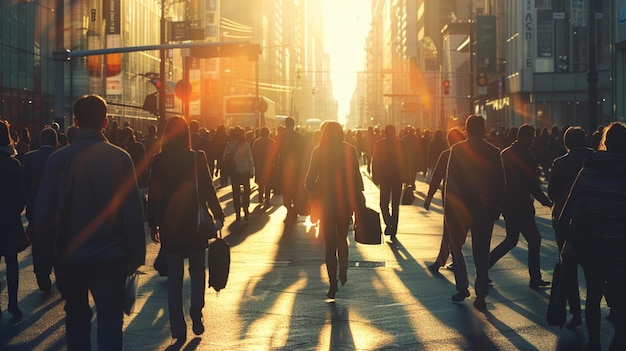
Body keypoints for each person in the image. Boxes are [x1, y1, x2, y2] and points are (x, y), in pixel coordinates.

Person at [33, 95, 146, 350]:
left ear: (75, 122)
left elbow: (42, 213)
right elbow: (132, 212)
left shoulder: (58, 160)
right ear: (105, 122)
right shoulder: (120, 158)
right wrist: (136, 254)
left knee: (76, 317)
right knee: (109, 317)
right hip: (111, 256)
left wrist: (47, 250)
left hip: (70, 256)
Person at [147, 117, 225, 343]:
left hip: (170, 224)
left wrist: (153, 222)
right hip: (194, 222)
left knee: (174, 277)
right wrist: (218, 213)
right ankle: (196, 309)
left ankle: (177, 328)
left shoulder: (159, 160)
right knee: (198, 270)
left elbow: (154, 193)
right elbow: (208, 188)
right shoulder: (196, 157)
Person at [558, 122, 626, 351]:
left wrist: (570, 240)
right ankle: (618, 340)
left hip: (591, 245)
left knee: (594, 294)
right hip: (620, 246)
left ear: (604, 143)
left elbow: (567, 211)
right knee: (621, 295)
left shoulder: (589, 168)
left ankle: (594, 342)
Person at [444, 115, 505, 312]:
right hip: (484, 207)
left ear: (466, 129)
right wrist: (496, 206)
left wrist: (449, 209)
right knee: (481, 250)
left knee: (456, 246)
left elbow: (450, 182)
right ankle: (481, 293)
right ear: (484, 129)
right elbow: (500, 182)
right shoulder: (493, 151)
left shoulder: (457, 149)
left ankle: (462, 286)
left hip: (461, 207)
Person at [488, 124, 553, 288]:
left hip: (508, 203)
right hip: (522, 204)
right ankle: (535, 278)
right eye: (531, 138)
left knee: (511, 240)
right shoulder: (526, 157)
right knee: (534, 239)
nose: (532, 141)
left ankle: (484, 266)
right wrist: (545, 201)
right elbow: (532, 183)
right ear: (524, 136)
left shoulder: (505, 153)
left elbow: (496, 179)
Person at [305, 121, 364, 299]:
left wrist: (316, 190)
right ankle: (343, 270)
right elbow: (356, 176)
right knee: (342, 239)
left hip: (325, 203)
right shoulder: (349, 150)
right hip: (345, 202)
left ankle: (332, 284)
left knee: (329, 245)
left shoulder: (318, 151)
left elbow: (309, 181)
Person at [547, 126, 593, 329]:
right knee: (594, 268)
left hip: (565, 220)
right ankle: (606, 304)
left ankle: (575, 313)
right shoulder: (595, 160)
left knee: (570, 268)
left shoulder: (560, 163)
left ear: (566, 143)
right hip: (591, 219)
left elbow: (551, 192)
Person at [21, 127, 58, 292]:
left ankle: (42, 275)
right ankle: (56, 269)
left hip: (35, 210)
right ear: (56, 141)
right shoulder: (61, 157)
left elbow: (24, 186)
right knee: (56, 243)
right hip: (56, 211)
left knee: (37, 244)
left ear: (41, 141)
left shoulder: (29, 159)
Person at [424, 128, 465, 273]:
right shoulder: (469, 156)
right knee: (460, 232)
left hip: (451, 199)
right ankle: (454, 260)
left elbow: (436, 178)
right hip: (468, 200)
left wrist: (429, 197)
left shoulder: (446, 155)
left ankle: (444, 260)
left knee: (449, 230)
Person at [0, 120, 28, 318]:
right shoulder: (13, 164)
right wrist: (14, 211)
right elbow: (21, 195)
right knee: (12, 261)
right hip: (9, 217)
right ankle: (12, 303)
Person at [372, 125, 408, 237]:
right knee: (395, 204)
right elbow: (405, 160)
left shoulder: (380, 144)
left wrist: (375, 176)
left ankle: (389, 223)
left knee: (383, 203)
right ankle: (394, 227)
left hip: (385, 177)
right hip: (397, 177)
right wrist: (406, 177)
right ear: (394, 132)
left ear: (385, 132)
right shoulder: (401, 143)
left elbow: (375, 161)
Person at [274, 117, 306, 226]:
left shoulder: (280, 136)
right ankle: (295, 210)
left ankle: (289, 209)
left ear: (285, 124)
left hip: (284, 167)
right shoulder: (300, 137)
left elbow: (275, 153)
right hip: (297, 167)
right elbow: (304, 153)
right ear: (293, 124)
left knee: (286, 191)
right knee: (296, 190)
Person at [224, 126, 254, 222]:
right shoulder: (246, 145)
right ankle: (246, 208)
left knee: (236, 193)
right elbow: (250, 159)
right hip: (244, 171)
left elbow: (224, 157)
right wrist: (251, 171)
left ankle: (237, 212)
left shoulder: (229, 145)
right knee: (246, 191)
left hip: (234, 172)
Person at [252, 126, 276, 206]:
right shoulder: (272, 142)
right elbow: (275, 154)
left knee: (260, 181)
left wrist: (254, 163)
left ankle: (260, 195)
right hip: (269, 165)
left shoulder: (256, 142)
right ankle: (267, 198)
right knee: (268, 183)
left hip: (259, 164)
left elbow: (254, 154)